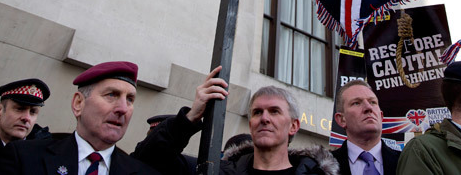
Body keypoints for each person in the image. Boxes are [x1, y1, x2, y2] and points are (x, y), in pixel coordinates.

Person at [133, 66, 339, 174]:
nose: (264, 118)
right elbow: (147, 160)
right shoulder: (215, 171)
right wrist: (190, 118)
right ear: (250, 124)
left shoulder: (315, 174)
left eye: (274, 111)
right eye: (257, 112)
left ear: (294, 125)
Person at [0, 61, 160, 175]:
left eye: (130, 99)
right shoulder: (25, 156)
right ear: (78, 103)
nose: (123, 109)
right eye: (111, 95)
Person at [331, 80, 400, 174]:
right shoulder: (321, 167)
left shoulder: (405, 162)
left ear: (381, 116)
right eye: (356, 103)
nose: (369, 108)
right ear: (342, 119)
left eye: (373, 102)